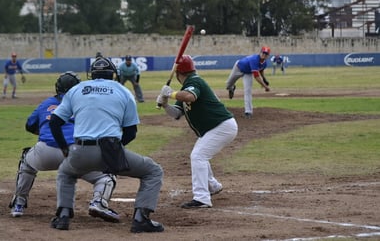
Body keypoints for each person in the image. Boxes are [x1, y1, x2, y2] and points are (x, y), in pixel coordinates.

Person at [48, 55, 164, 233]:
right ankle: (141, 219)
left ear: (91, 74)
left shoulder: (77, 89)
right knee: (153, 171)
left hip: (80, 150)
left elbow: (54, 122)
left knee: (66, 172)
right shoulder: (124, 91)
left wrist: (65, 148)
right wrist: (116, 150)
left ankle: (63, 216)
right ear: (113, 74)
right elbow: (131, 132)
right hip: (110, 150)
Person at [8, 71, 119, 224]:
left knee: (27, 163)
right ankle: (98, 202)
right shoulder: (86, 104)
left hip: (45, 151)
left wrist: (47, 132)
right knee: (106, 175)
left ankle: (19, 203)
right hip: (77, 153)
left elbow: (30, 125)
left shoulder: (46, 103)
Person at [156, 55, 238, 209]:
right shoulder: (187, 85)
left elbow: (190, 97)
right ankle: (212, 186)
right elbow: (177, 114)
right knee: (199, 154)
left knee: (198, 156)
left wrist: (170, 94)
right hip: (215, 127)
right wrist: (166, 104)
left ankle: (202, 198)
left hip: (222, 126)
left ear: (179, 74)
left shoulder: (194, 81)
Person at [225, 46, 271, 119]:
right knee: (228, 85)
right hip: (238, 68)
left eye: (266, 54)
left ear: (268, 56)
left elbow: (261, 70)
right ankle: (232, 88)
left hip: (248, 73)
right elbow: (256, 76)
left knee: (248, 91)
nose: (264, 54)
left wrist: (264, 79)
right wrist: (265, 86)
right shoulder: (254, 59)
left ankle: (248, 112)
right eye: (263, 53)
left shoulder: (264, 63)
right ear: (260, 52)